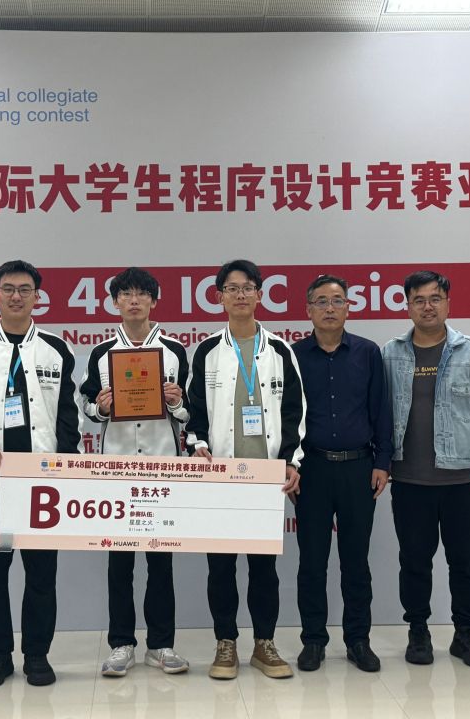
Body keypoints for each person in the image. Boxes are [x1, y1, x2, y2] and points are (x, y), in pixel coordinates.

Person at [0, 260, 82, 687]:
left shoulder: (56, 348)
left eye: (25, 290)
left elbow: (69, 414)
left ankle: (37, 656)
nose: (16, 296)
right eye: (8, 289)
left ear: (37, 297)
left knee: (41, 574)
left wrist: (65, 465)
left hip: (41, 484)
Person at [382, 270, 470, 669]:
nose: (427, 306)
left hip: (463, 480)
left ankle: (465, 633)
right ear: (407, 306)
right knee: (414, 561)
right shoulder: (391, 354)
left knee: (466, 562)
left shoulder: (468, 351)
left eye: (435, 298)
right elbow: (378, 413)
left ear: (448, 303)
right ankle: (418, 631)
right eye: (419, 300)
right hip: (409, 480)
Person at [186, 259, 305, 680]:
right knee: (220, 568)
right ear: (219, 297)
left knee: (263, 569)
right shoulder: (206, 351)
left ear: (259, 295)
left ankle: (264, 643)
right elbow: (195, 411)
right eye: (232, 288)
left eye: (247, 287)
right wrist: (198, 445)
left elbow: (294, 411)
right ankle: (226, 643)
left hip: (264, 478)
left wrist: (290, 461)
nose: (240, 295)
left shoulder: (280, 350)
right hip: (220, 476)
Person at [79, 267, 192, 678]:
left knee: (161, 561)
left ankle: (161, 645)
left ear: (154, 300)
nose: (133, 300)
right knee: (120, 562)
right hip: (118, 468)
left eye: (141, 293)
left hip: (163, 466)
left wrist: (177, 402)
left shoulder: (175, 351)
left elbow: (191, 410)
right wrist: (101, 407)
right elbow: (86, 405)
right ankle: (121, 644)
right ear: (114, 303)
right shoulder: (102, 352)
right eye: (125, 294)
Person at [292, 275, 393, 673]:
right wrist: (290, 465)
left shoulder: (367, 353)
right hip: (312, 469)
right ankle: (313, 640)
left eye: (337, 301)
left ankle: (358, 640)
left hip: (359, 468)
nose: (330, 308)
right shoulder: (294, 356)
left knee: (356, 562)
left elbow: (381, 410)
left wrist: (383, 462)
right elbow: (286, 416)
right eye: (321, 301)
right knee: (312, 562)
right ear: (308, 310)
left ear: (349, 307)